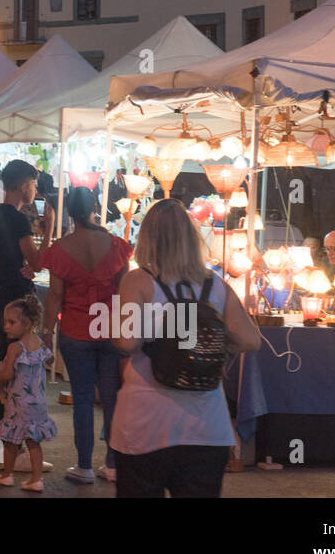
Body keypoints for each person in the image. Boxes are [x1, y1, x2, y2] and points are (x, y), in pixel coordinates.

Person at [111, 198, 260, 498]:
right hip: (206, 426)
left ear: (147, 237)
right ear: (191, 238)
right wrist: (213, 345)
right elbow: (251, 339)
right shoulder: (215, 285)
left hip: (146, 423)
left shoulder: (138, 281)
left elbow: (127, 343)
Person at [41, 186, 130, 483]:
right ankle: (114, 464)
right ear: (94, 208)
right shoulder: (116, 245)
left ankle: (84, 467)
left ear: (69, 213)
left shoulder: (61, 249)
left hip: (76, 330)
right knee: (112, 398)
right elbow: (125, 291)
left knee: (81, 399)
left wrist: (45, 331)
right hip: (109, 330)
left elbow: (54, 295)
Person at [0, 159, 41, 444]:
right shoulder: (19, 220)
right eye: (34, 183)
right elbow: (37, 260)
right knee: (18, 370)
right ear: (22, 185)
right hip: (17, 299)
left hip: (1, 295)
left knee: (3, 367)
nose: (36, 189)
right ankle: (12, 446)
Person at [0, 295, 56, 492]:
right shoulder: (39, 344)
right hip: (38, 403)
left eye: (11, 322)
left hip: (18, 403)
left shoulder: (15, 348)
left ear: (27, 323)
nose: (7, 327)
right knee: (33, 442)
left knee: (11, 441)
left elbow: (7, 374)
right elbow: (51, 360)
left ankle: (7, 475)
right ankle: (36, 479)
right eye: (5, 322)